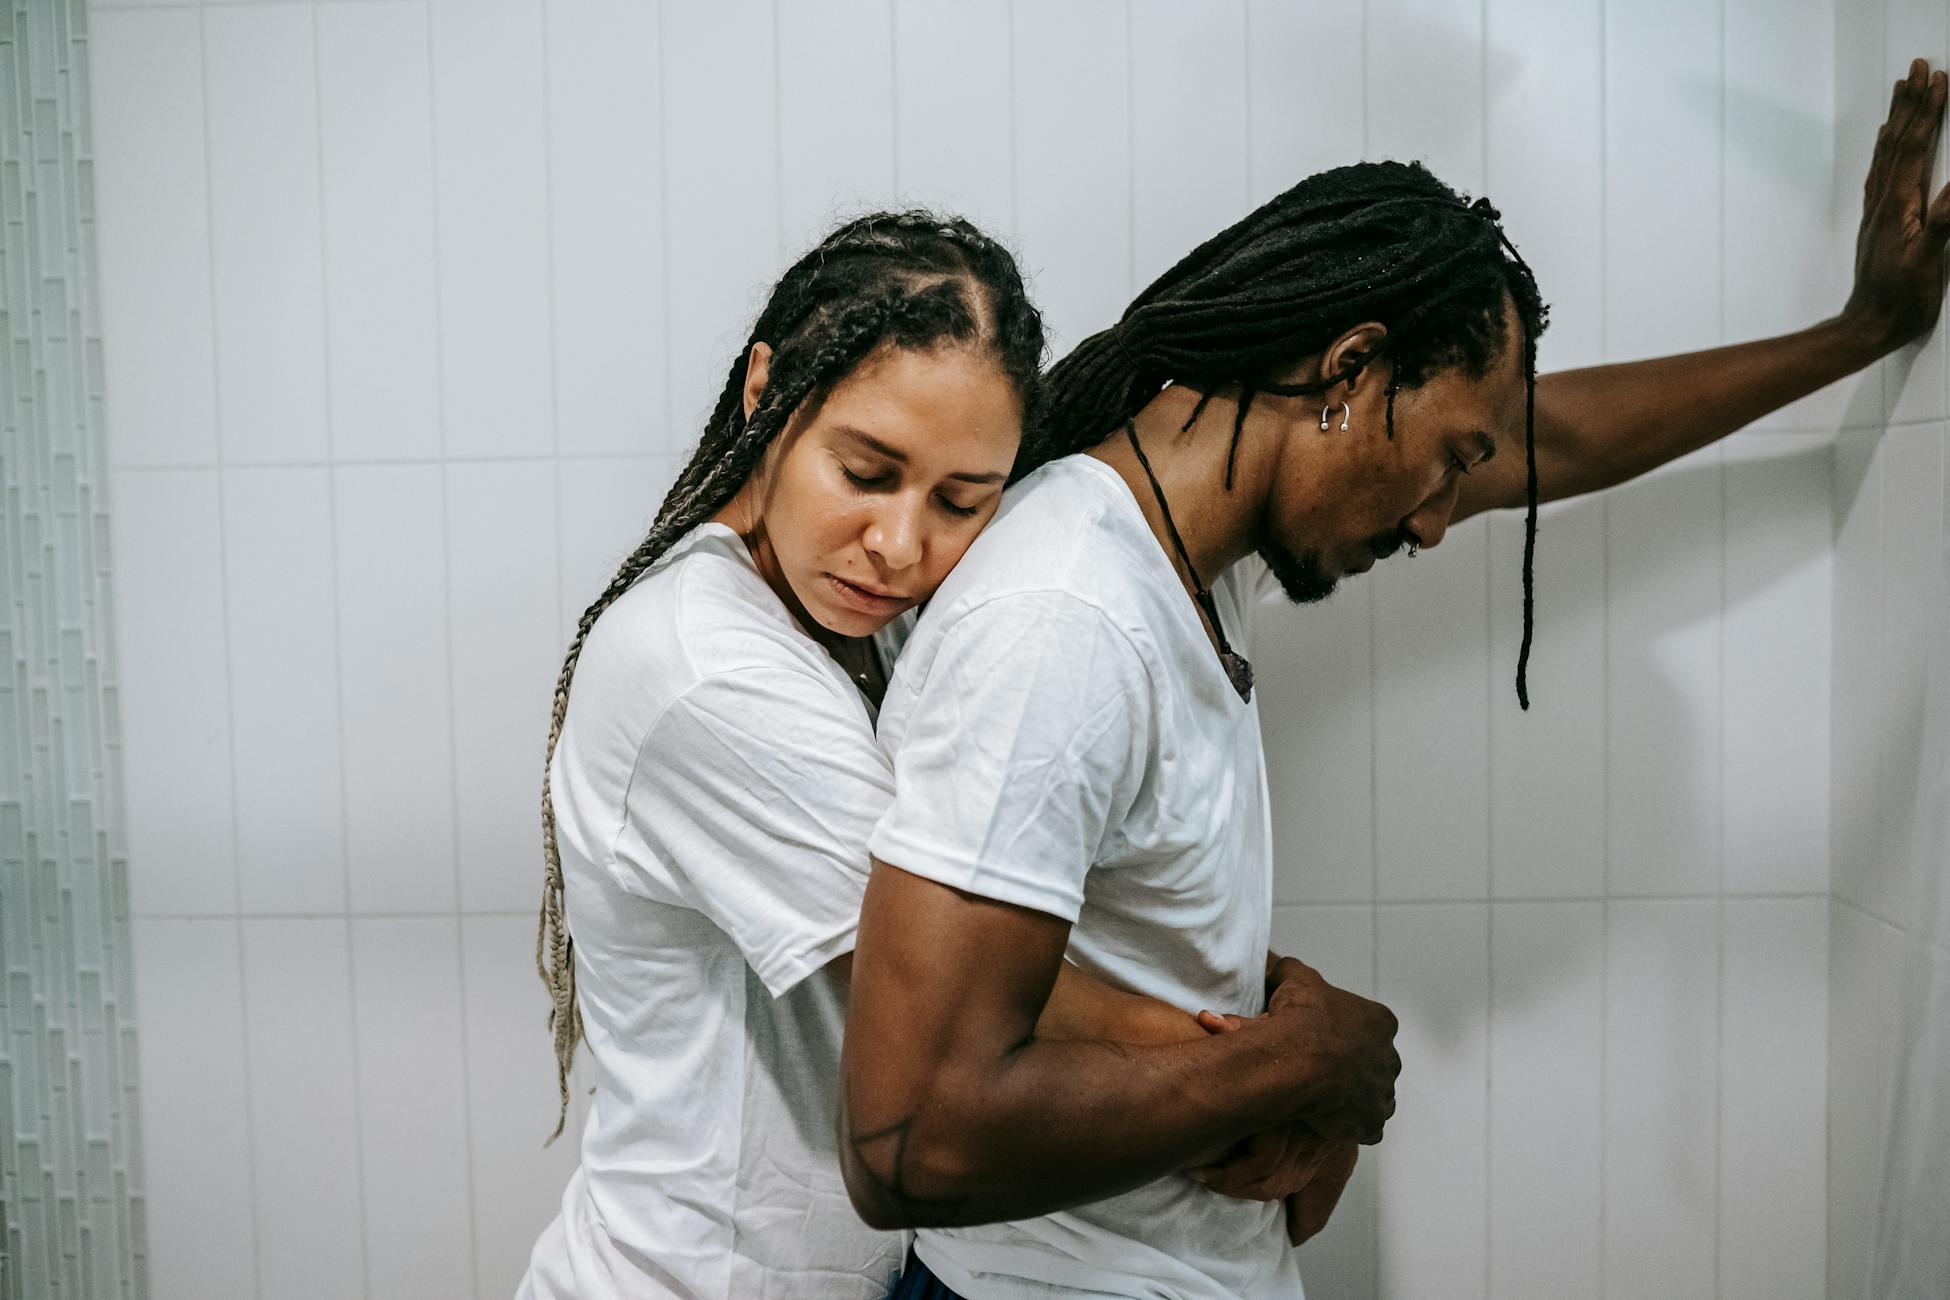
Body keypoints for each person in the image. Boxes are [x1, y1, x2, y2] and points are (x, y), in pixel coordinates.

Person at [842, 61, 1950, 1300]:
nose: (1436, 522)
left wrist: (1863, 334)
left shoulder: (1176, 558)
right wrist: (1306, 1065)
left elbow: (1550, 438)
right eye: (1442, 462)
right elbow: (912, 1139)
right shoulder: (1063, 619)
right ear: (1351, 372)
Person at [516, 209, 1398, 1300]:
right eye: (865, 471)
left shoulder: (860, 610)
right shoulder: (703, 667)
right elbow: (973, 979)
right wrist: (1298, 1065)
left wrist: (1280, 1042)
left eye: (960, 500)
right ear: (765, 393)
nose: (901, 543)